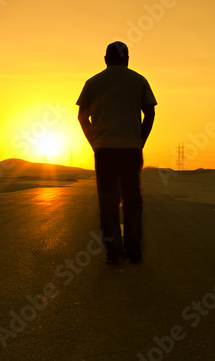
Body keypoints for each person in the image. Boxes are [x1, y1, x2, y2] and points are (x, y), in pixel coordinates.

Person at [76, 41, 156, 264]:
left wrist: (94, 141)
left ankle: (114, 252)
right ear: (127, 60)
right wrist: (141, 139)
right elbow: (149, 113)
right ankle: (134, 250)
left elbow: (82, 116)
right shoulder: (138, 80)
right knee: (132, 200)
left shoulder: (93, 83)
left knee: (108, 202)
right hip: (131, 149)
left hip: (105, 151)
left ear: (105, 60)